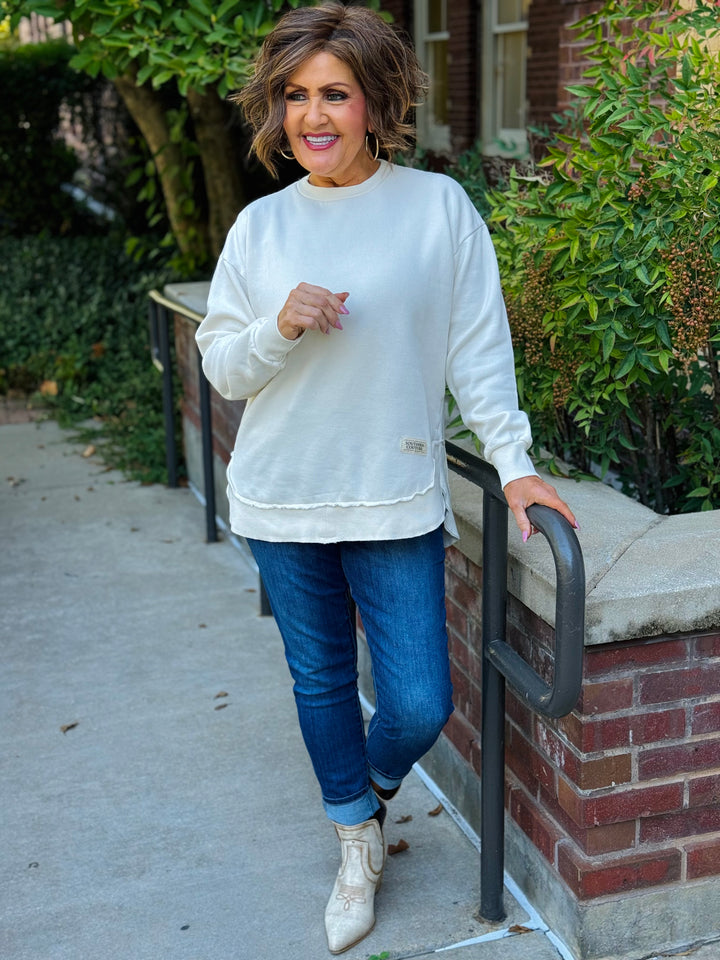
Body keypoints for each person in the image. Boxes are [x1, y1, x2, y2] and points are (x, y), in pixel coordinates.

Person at [195, 3, 578, 954]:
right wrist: (277, 325)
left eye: (335, 93)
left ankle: (359, 797)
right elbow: (221, 367)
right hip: (281, 496)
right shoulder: (261, 228)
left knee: (418, 702)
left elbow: (479, 354)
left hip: (393, 492)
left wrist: (516, 465)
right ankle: (355, 845)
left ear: (376, 102)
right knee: (320, 678)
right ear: (278, 109)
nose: (312, 116)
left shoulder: (438, 210)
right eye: (296, 97)